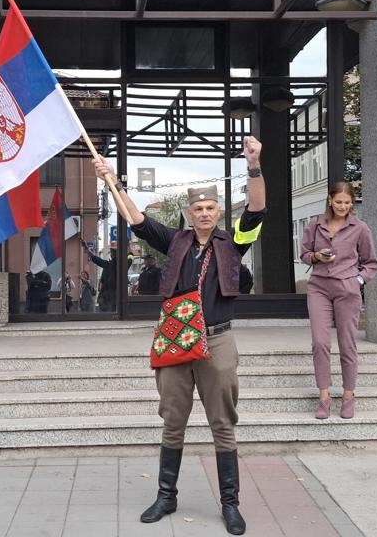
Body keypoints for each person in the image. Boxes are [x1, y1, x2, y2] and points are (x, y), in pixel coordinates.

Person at [91, 136, 265, 535]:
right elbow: (136, 218)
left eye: (210, 208)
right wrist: (111, 182)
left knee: (223, 422)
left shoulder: (234, 242)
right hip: (175, 338)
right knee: (173, 420)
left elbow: (257, 208)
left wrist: (253, 165)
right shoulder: (176, 241)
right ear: (189, 213)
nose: (204, 214)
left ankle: (231, 503)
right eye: (198, 209)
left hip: (217, 339)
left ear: (219, 211)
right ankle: (166, 495)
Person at [300, 182, 377, 420]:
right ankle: (324, 396)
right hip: (318, 287)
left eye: (347, 202)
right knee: (320, 343)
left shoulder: (361, 228)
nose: (343, 206)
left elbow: (371, 263)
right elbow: (304, 254)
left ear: (351, 203)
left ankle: (348, 395)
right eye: (339, 202)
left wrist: (358, 280)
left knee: (347, 344)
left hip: (347, 288)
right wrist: (316, 256)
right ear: (330, 200)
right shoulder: (315, 224)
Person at [82, 239, 119, 311]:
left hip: (111, 297)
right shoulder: (109, 265)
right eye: (111, 252)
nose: (111, 254)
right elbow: (98, 260)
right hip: (106, 296)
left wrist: (87, 250)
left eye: (112, 252)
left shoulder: (114, 265)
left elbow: (98, 261)